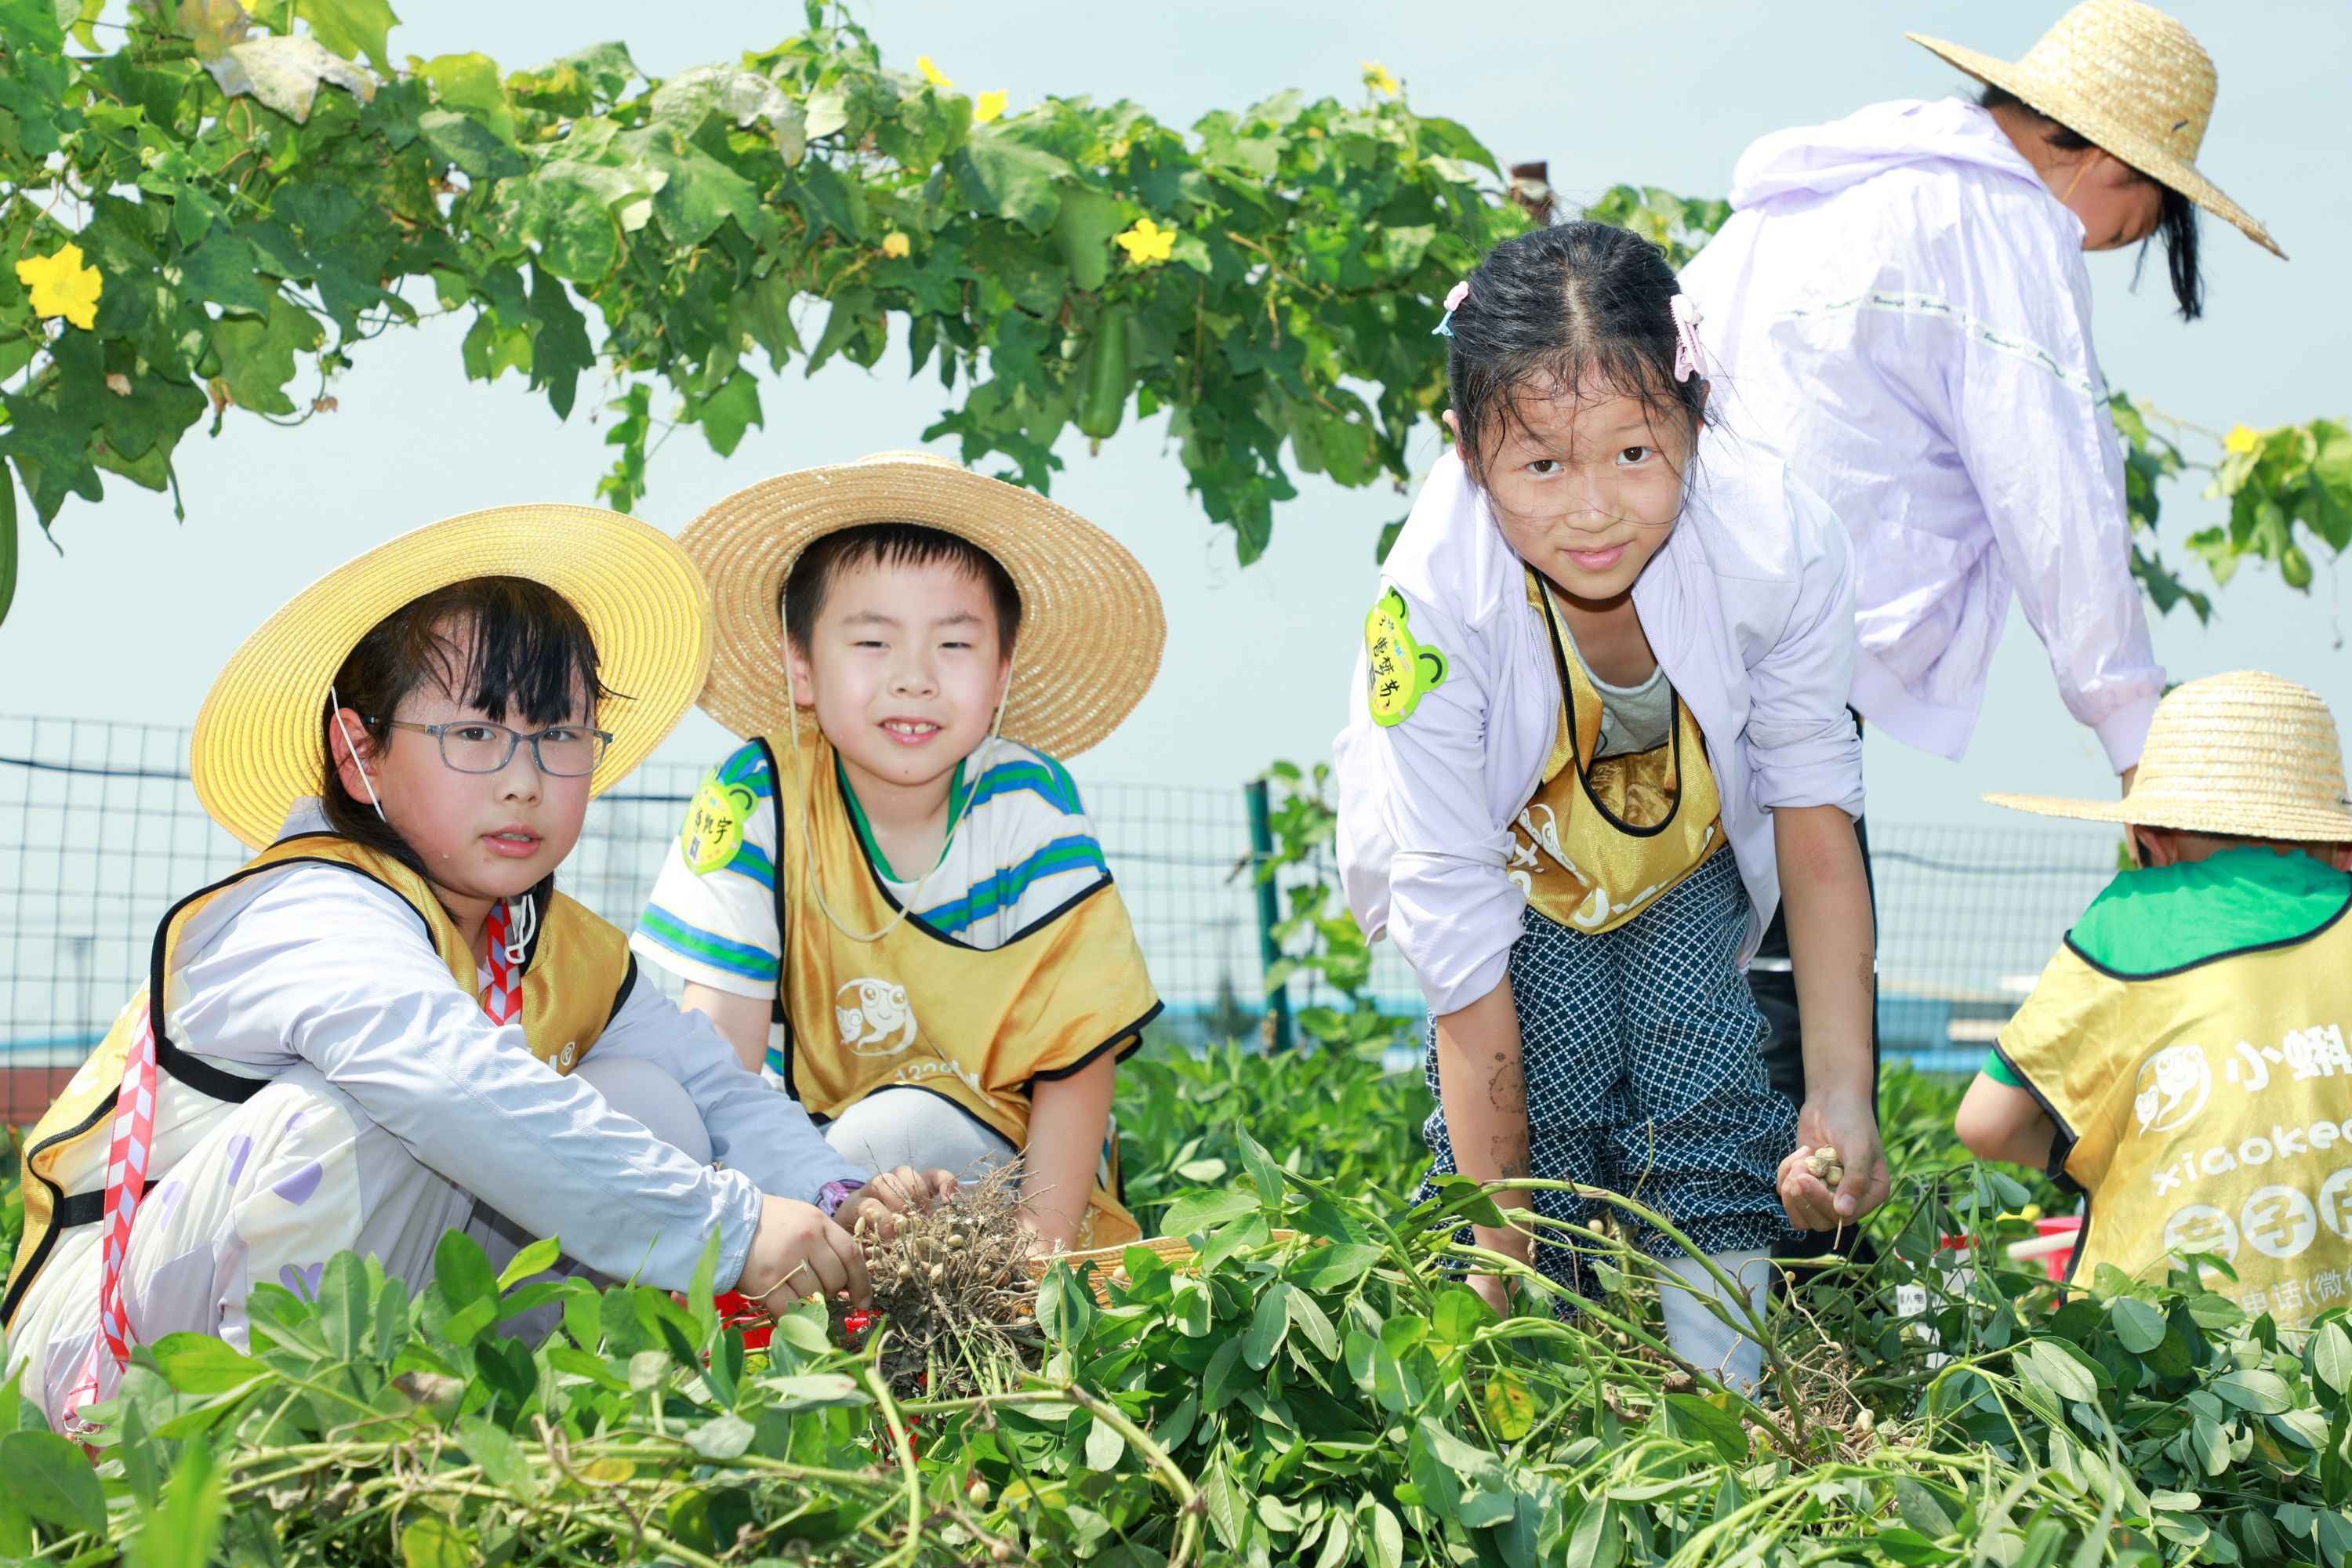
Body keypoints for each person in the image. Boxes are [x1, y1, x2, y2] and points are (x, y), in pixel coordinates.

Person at [1, 505, 953, 1435]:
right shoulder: (309, 905)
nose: (524, 778)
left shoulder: (550, 939)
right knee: (374, 1106)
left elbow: (717, 1090)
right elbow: (450, 1080)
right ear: (357, 747)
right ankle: (272, 1441)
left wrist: (838, 1199)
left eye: (561, 735)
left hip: (338, 1320)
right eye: (473, 732)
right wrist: (733, 1226)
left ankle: (480, 1435)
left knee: (652, 1101)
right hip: (110, 1357)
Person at [1676, 0, 2285, 1239]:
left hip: (1649, 632)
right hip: (1782, 658)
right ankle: (1794, 1315)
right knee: (1805, 998)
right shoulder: (2003, 219)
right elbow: (2056, 493)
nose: (2118, 241)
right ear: (2114, 162)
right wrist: (2146, 764)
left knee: (1683, 979)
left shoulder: (1813, 191)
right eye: (2145, 216)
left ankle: (1652, 1293)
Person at [1333, 223, 1888, 1391]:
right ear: (1468, 451)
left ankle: (1725, 1406)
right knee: (1557, 1086)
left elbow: (1813, 808)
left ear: (1695, 419)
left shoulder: (1779, 541)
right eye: (1541, 466)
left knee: (1711, 1079)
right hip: (1511, 861)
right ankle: (1550, 1378)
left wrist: (1842, 1092)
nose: (1595, 512)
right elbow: (1454, 920)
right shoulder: (1431, 601)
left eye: (1637, 453)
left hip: (1677, 852)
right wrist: (1493, 1263)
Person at [631, 452, 1165, 1255]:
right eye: (873, 640)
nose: (914, 678)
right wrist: (783, 1210)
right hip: (796, 1160)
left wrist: (1039, 1247)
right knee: (646, 1101)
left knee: (897, 1128)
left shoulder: (1026, 802)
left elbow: (1076, 1056)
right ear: (801, 664)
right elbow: (722, 1053)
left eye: (954, 644)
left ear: (1001, 674)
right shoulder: (757, 796)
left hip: (1001, 1167)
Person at [1956, 673, 2352, 1328]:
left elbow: (1984, 1124)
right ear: (2338, 847)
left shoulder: (2130, 919)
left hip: (2160, 1353)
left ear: (2148, 838)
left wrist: (2118, 1143)